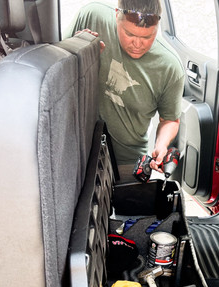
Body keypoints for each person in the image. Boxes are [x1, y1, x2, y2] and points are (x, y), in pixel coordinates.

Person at [66, 0, 184, 173]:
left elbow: (170, 120)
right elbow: (55, 66)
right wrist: (78, 48)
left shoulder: (170, 67)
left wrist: (161, 145)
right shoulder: (92, 17)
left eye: (147, 37)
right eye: (129, 34)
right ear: (116, 15)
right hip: (76, 151)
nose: (138, 44)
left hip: (127, 161)